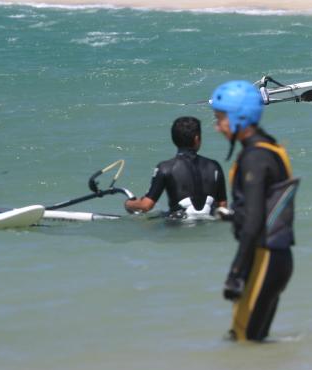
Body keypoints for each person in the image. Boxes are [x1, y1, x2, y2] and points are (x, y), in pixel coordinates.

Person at [210, 80, 298, 342]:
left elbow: (255, 220)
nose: (217, 127)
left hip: (264, 258)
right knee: (254, 342)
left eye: (220, 119)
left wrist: (236, 273)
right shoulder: (270, 148)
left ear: (239, 117)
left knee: (242, 339)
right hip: (277, 256)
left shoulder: (255, 157)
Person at [124, 116, 227, 219]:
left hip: (179, 227)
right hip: (208, 225)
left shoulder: (165, 168)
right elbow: (222, 206)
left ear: (174, 139)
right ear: (197, 139)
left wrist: (129, 204)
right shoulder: (214, 166)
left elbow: (146, 206)